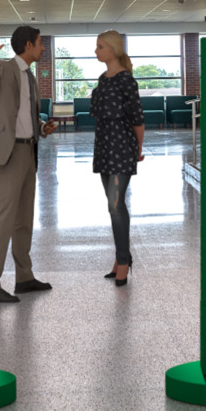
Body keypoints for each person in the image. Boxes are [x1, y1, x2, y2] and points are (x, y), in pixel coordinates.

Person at [0, 26, 60, 303]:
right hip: (10, 153)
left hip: (30, 149)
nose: (43, 48)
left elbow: (24, 114)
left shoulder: (30, 76)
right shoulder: (3, 68)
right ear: (28, 45)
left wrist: (41, 126)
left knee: (24, 219)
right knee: (5, 218)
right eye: (39, 43)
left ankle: (24, 277)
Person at [89, 30, 145, 287]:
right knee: (112, 206)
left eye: (99, 47)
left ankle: (123, 261)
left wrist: (138, 149)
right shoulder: (103, 78)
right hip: (103, 148)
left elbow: (137, 119)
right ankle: (121, 257)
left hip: (122, 148)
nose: (96, 51)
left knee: (115, 204)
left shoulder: (126, 81)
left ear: (112, 49)